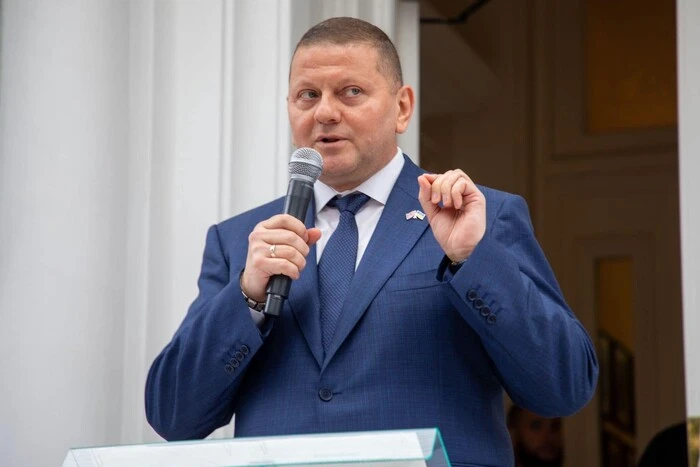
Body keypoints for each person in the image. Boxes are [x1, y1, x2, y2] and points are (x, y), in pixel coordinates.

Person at [145, 16, 598, 466]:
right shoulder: (241, 241)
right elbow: (173, 415)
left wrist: (472, 258)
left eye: (351, 92)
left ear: (402, 107)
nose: (324, 112)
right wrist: (248, 296)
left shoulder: (477, 216)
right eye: (308, 95)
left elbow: (563, 386)